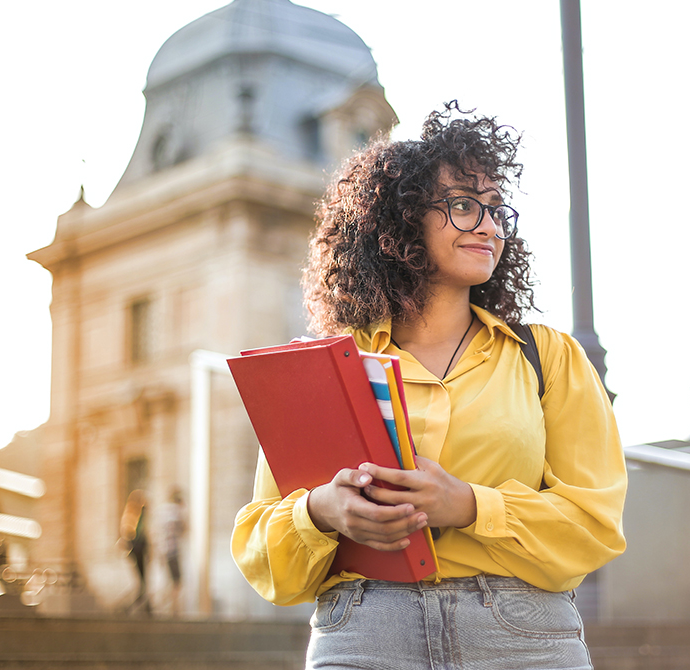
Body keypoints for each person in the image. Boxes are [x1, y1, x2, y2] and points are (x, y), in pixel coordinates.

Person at [231, 102, 627, 670]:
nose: (489, 226)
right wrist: (320, 511)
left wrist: (468, 505)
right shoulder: (326, 369)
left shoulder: (547, 357)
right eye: (464, 206)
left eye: (496, 210)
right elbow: (262, 548)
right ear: (401, 220)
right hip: (364, 631)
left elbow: (595, 525)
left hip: (522, 634)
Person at [120, 489, 151, 615]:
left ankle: (146, 605)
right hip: (137, 548)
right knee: (141, 579)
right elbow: (128, 532)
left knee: (143, 579)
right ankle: (142, 604)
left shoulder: (140, 516)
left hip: (140, 548)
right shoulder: (132, 515)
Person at [160, 487, 186, 616]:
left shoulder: (164, 511)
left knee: (170, 580)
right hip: (173, 551)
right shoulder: (176, 512)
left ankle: (170, 607)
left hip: (164, 550)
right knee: (177, 581)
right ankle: (173, 608)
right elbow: (184, 528)